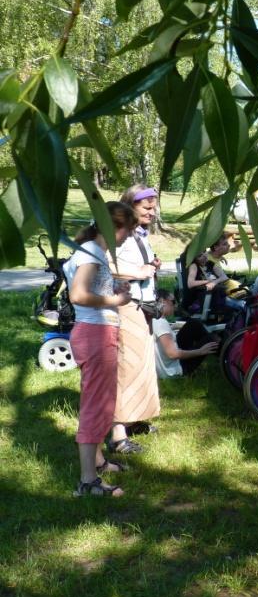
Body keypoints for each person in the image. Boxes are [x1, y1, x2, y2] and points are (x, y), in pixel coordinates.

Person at [64, 202, 137, 497]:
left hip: (93, 332)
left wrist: (111, 287)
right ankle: (88, 482)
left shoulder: (89, 250)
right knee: (96, 407)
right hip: (96, 333)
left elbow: (88, 287)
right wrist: (115, 301)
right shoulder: (93, 251)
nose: (128, 237)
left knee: (99, 402)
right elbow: (78, 294)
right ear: (113, 227)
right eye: (127, 231)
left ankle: (97, 462)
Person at [108, 185, 162, 455]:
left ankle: (134, 419)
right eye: (147, 208)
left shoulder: (139, 233)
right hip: (126, 307)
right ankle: (117, 435)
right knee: (126, 367)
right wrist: (140, 271)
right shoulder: (117, 233)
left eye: (154, 207)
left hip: (143, 307)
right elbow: (104, 265)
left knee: (142, 366)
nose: (153, 212)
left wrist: (151, 266)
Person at [152, 290, 219, 378]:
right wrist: (200, 351)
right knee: (211, 339)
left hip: (170, 363)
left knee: (193, 324)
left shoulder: (154, 319)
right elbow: (173, 354)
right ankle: (226, 357)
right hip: (174, 370)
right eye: (173, 302)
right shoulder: (160, 323)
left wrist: (176, 327)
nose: (175, 305)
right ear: (163, 302)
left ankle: (222, 354)